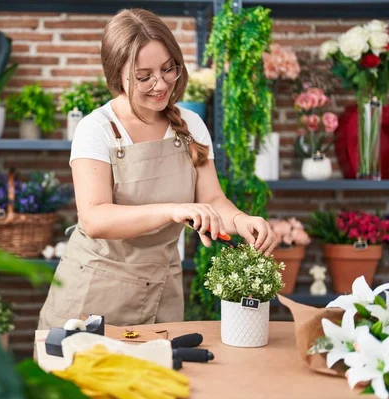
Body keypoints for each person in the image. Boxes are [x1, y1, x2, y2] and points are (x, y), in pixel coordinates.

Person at [38, 8, 276, 329]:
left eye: (168, 69)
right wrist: (172, 210)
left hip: (161, 294)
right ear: (117, 75)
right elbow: (94, 219)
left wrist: (242, 220)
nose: (160, 84)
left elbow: (213, 200)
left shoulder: (191, 126)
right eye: (144, 76)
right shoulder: (97, 129)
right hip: (92, 296)